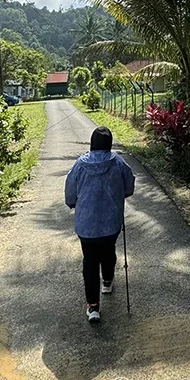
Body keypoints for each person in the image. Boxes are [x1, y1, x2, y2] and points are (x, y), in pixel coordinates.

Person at [65, 126, 135, 323]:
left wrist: (72, 203)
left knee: (90, 261)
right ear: (109, 143)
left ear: (92, 143)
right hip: (111, 222)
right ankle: (107, 281)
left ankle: (93, 307)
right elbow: (129, 186)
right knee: (108, 250)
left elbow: (70, 189)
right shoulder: (118, 163)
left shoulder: (80, 164)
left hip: (86, 225)